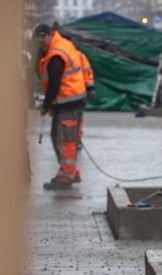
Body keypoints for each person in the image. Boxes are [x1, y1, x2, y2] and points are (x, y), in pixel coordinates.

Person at [36, 23, 86, 189]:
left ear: (50, 35)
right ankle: (70, 170)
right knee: (64, 138)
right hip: (73, 101)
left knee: (64, 140)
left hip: (67, 103)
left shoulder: (56, 54)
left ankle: (67, 175)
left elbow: (54, 84)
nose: (42, 46)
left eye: (43, 42)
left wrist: (46, 104)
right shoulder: (62, 45)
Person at [76, 50, 95, 150]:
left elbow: (87, 72)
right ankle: (75, 140)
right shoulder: (79, 55)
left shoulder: (79, 56)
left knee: (77, 119)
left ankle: (77, 139)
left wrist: (90, 87)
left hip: (78, 93)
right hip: (71, 93)